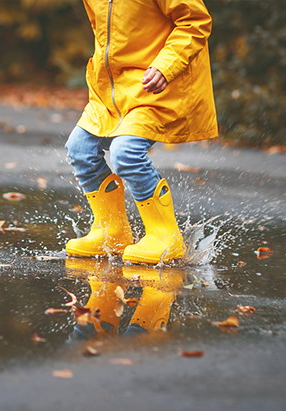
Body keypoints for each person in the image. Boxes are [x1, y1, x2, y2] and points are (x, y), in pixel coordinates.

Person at [65, 0, 218, 264]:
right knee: (80, 148)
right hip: (113, 90)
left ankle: (165, 237)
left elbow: (195, 22)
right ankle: (111, 232)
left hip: (157, 84)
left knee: (126, 153)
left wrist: (165, 66)